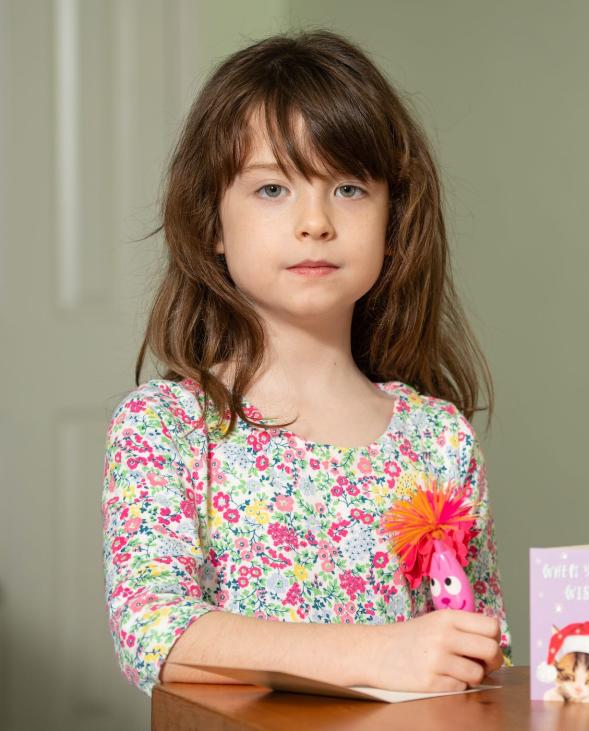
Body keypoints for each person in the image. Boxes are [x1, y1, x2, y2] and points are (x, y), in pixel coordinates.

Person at [101, 28, 511, 697]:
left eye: (349, 188)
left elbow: (475, 646)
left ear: (392, 218)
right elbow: (153, 630)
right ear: (212, 220)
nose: (314, 221)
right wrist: (374, 654)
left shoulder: (438, 439)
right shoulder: (166, 428)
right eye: (272, 190)